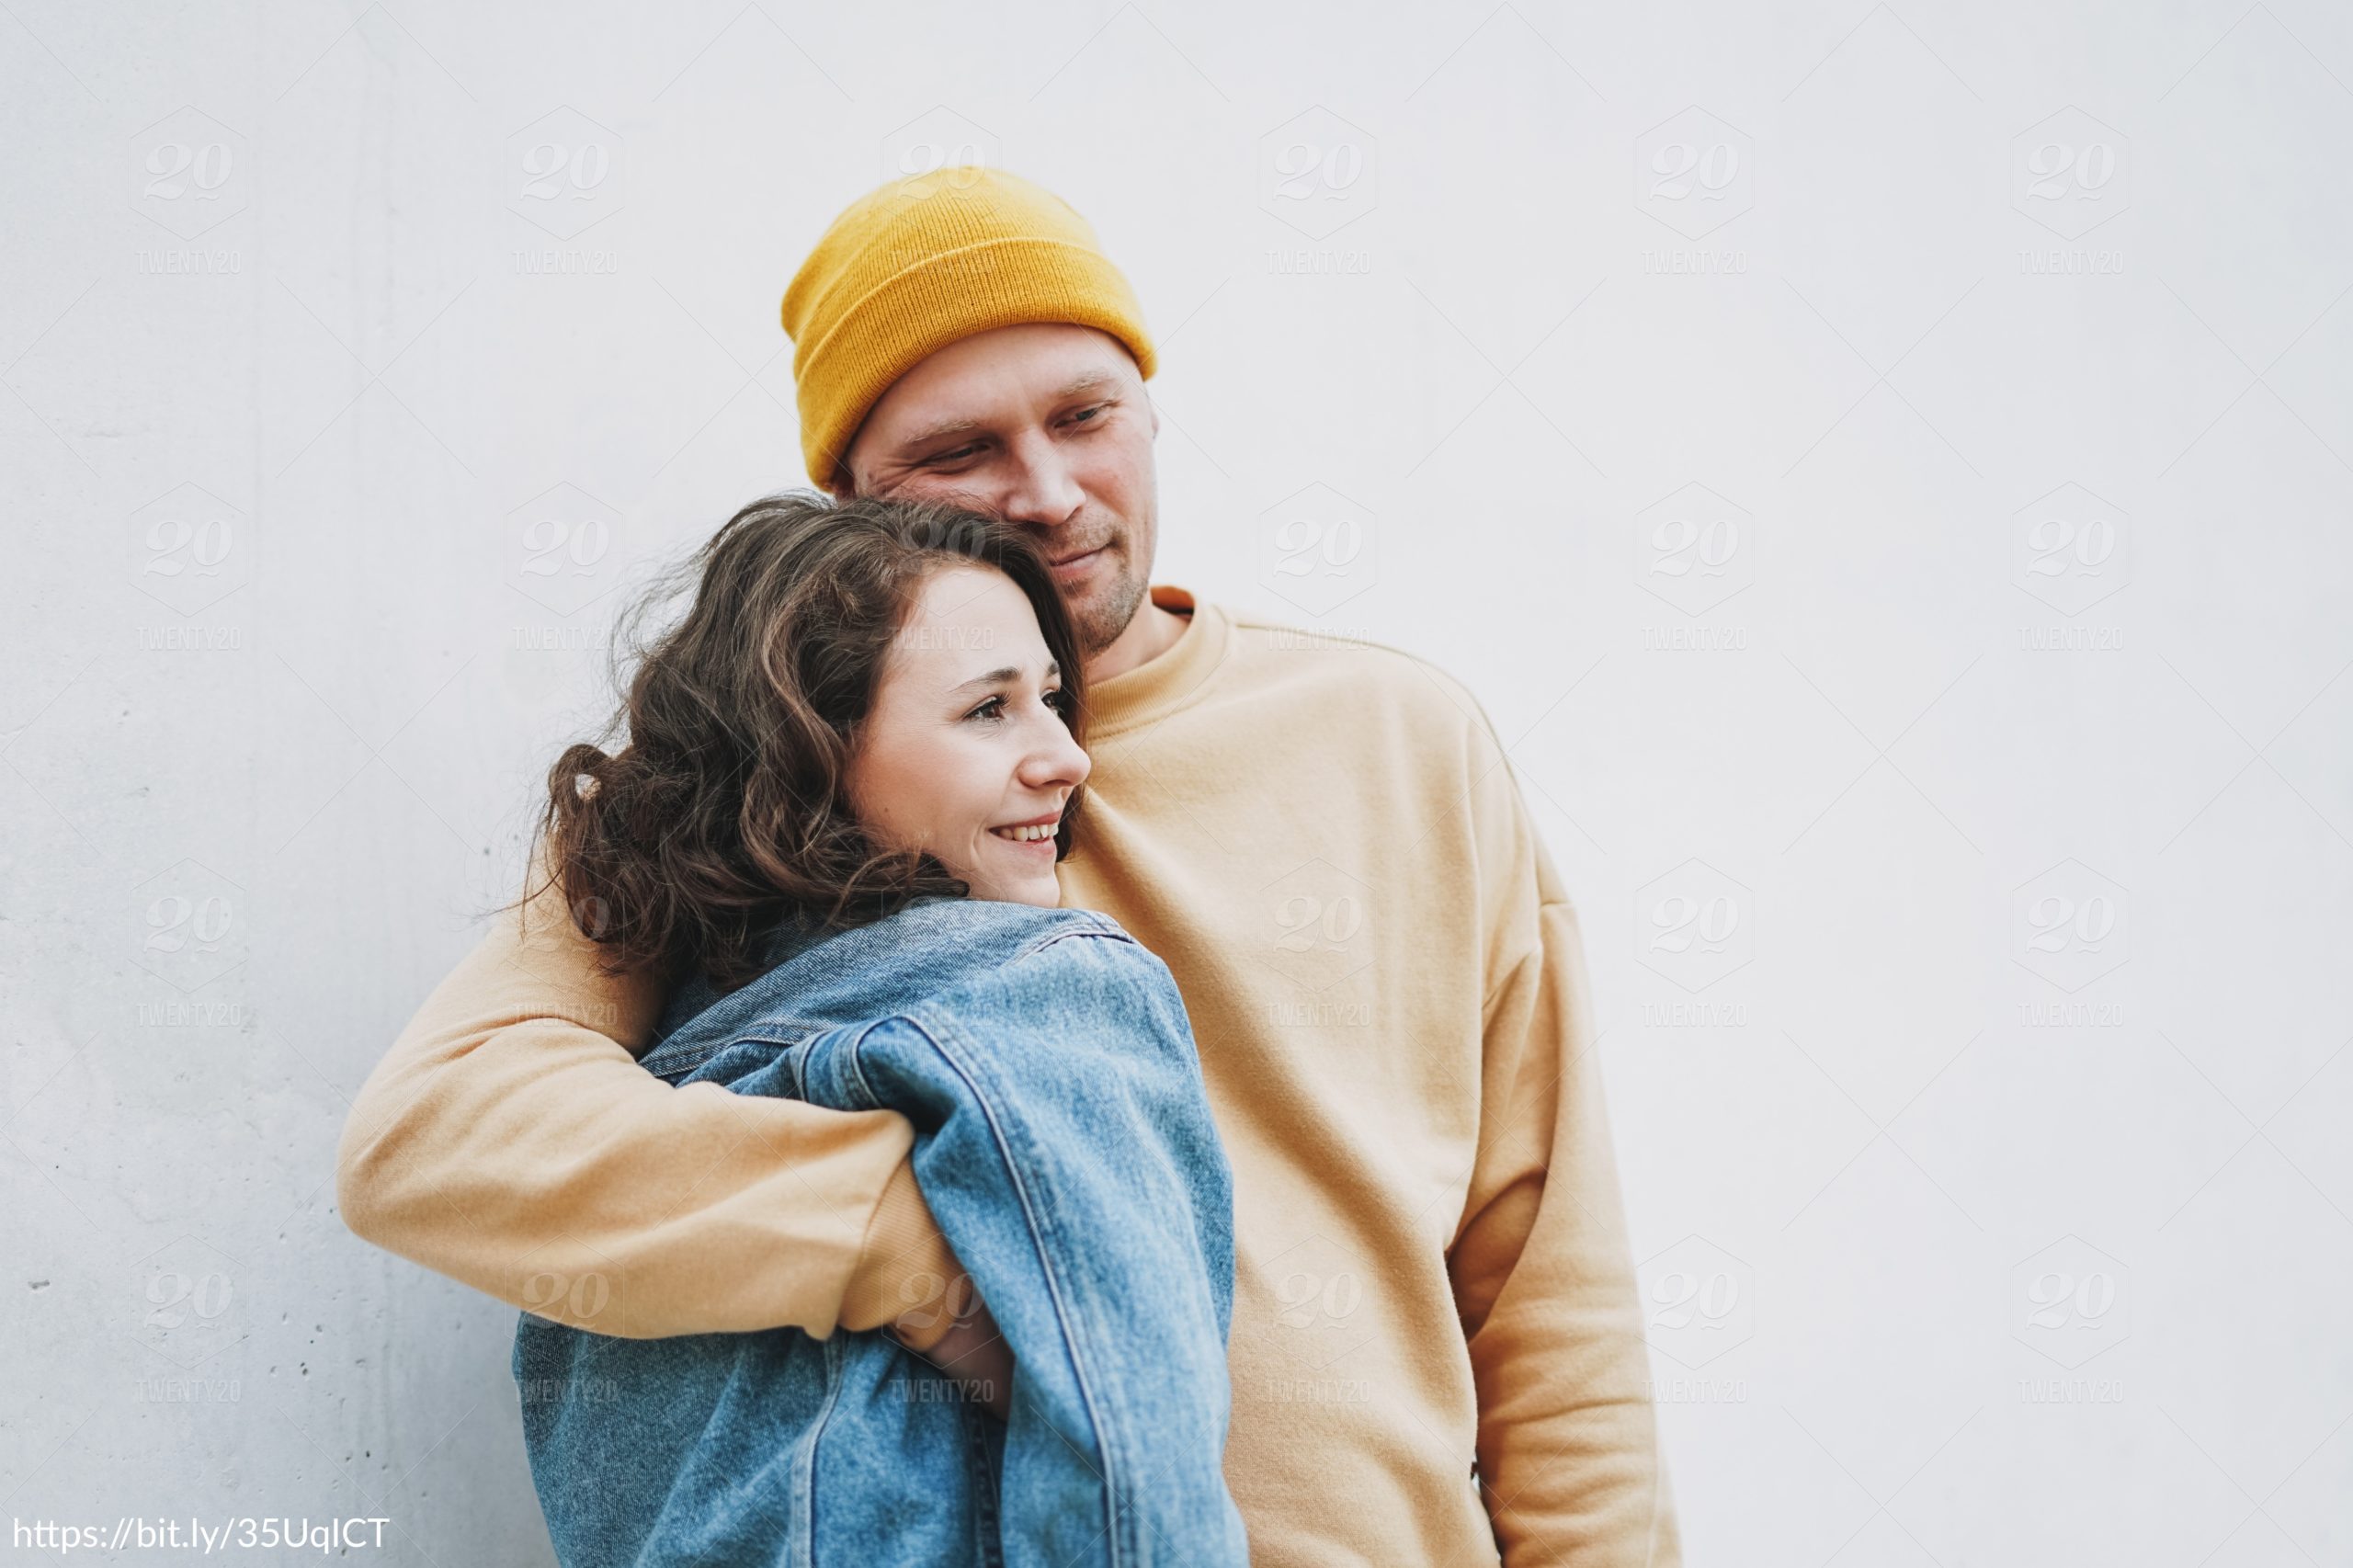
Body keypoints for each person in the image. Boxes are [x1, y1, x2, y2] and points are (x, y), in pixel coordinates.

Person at [338, 165, 1680, 1564]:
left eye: (1086, 416)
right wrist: (934, 1255)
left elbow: (1545, 1277)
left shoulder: (1400, 736)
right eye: (961, 450)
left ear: (1149, 411)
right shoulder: (754, 781)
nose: (1047, 492)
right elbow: (439, 1139)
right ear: (856, 501)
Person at [506, 492, 1246, 1565]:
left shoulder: (644, 1084)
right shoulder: (1040, 988)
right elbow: (1132, 1462)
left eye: (1048, 697)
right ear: (814, 744)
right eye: (987, 710)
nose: (1066, 755)